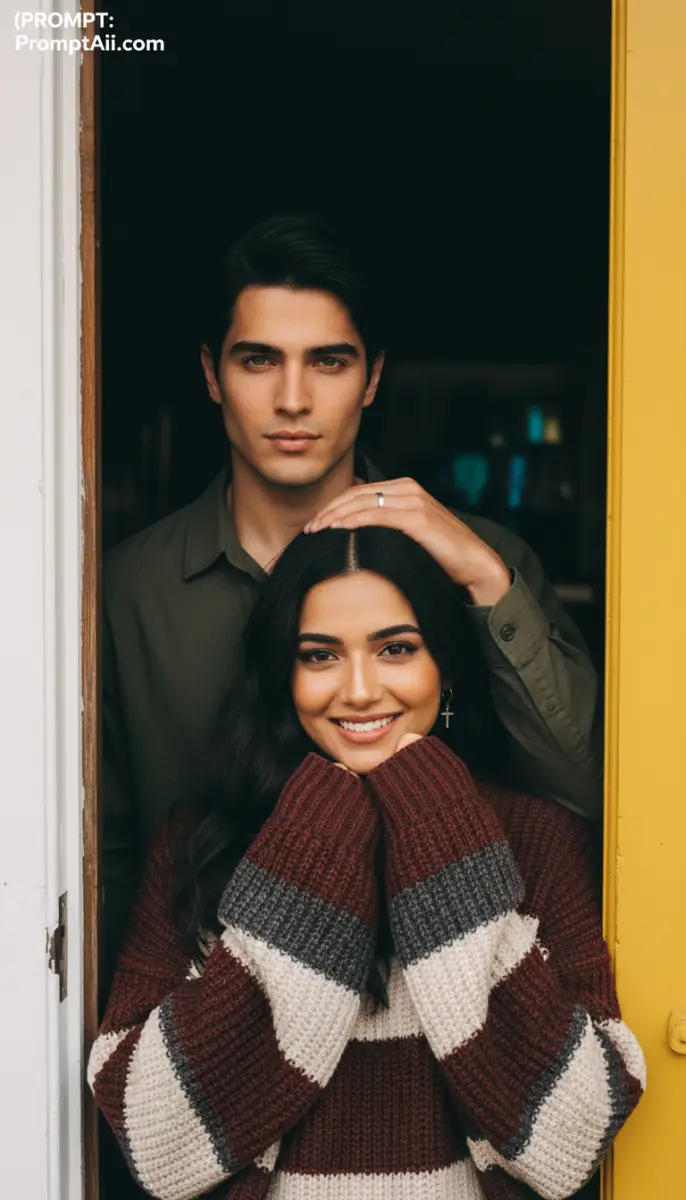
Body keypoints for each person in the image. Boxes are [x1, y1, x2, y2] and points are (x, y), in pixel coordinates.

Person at [103, 213, 602, 989]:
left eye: (328, 362)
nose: (292, 399)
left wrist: (484, 578)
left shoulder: (482, 560)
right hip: (206, 1011)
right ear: (211, 374)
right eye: (259, 359)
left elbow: (584, 791)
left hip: (450, 1010)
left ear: (371, 378)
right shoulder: (126, 589)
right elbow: (103, 861)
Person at [90, 527, 644, 1200]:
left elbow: (572, 1142)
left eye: (396, 649)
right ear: (284, 677)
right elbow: (156, 1146)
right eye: (320, 655)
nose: (358, 689)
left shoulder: (536, 841)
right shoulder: (201, 843)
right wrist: (315, 843)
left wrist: (442, 834)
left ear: (445, 668)